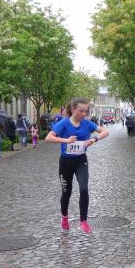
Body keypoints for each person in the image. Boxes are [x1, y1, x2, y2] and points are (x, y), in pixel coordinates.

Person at [45, 97, 109, 234]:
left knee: (84, 189)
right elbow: (48, 138)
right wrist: (65, 140)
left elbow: (105, 131)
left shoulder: (87, 123)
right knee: (66, 192)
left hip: (81, 161)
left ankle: (83, 222)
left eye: (86, 111)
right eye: (81, 111)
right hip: (66, 162)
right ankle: (64, 217)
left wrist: (94, 139)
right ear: (73, 109)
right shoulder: (63, 123)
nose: (84, 113)